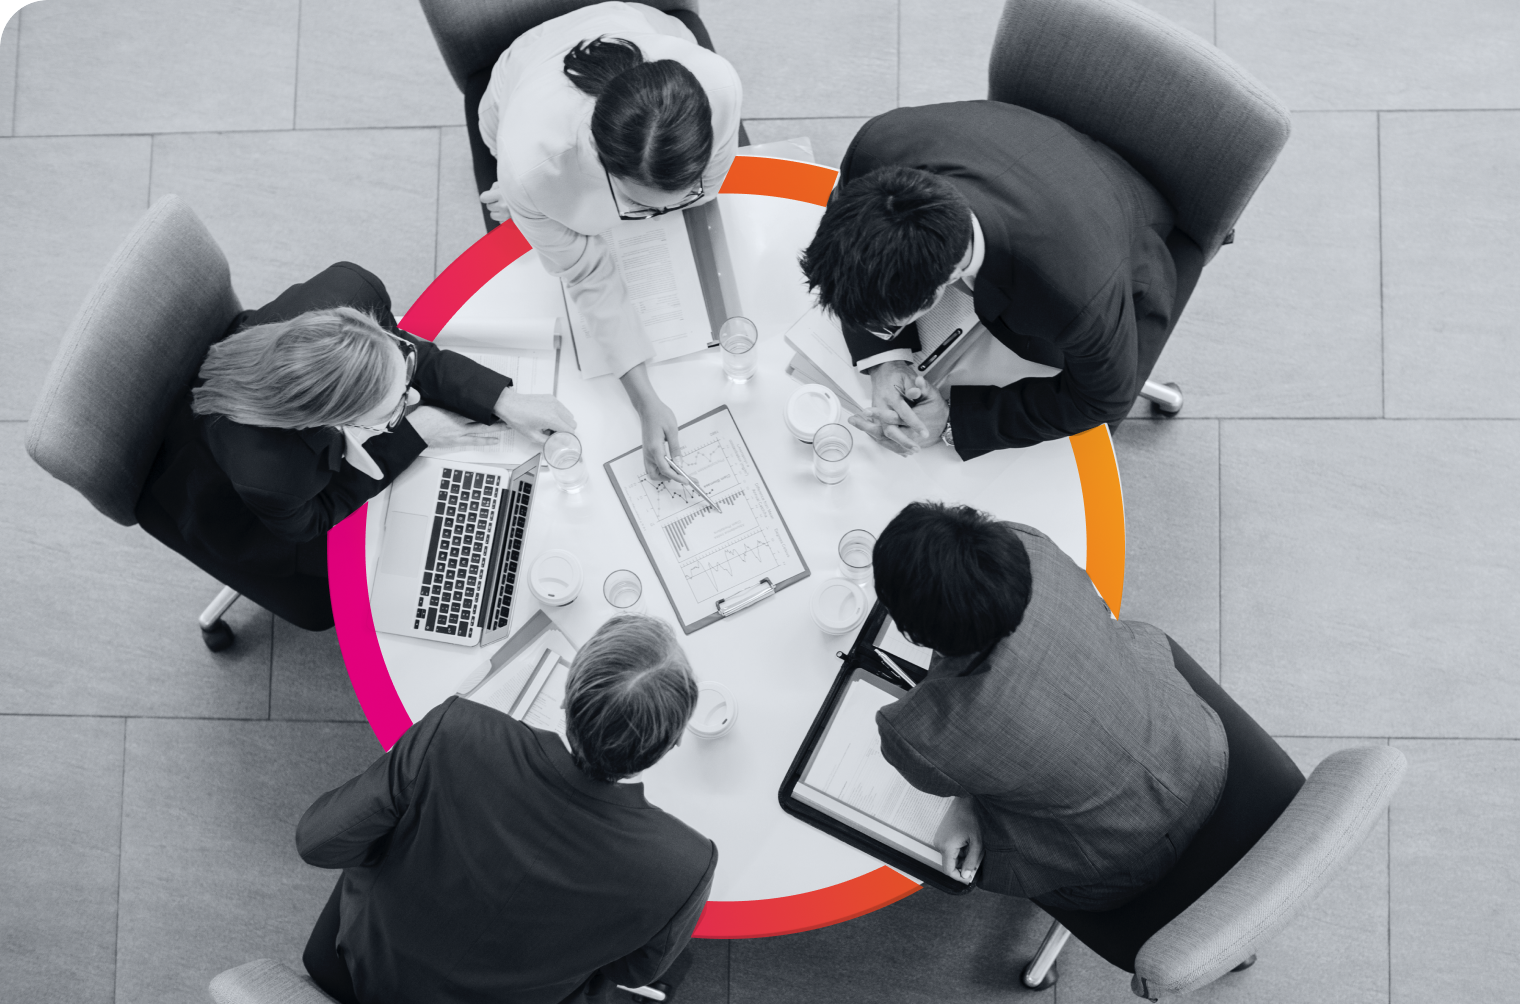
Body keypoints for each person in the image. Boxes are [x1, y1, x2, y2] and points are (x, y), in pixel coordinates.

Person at [297, 614, 716, 1004]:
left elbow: (318, 843)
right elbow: (636, 973)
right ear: (673, 742)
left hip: (358, 968)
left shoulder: (455, 732)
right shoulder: (683, 864)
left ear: (567, 694)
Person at [136, 261, 575, 632]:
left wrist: (504, 400)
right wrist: (412, 435)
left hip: (258, 373)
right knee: (365, 585)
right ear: (331, 422)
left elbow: (411, 356)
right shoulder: (272, 475)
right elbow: (312, 520)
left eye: (401, 374)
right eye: (394, 409)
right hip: (224, 501)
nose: (413, 396)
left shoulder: (351, 291)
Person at [869, 502, 1228, 919]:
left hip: (1116, 869)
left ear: (914, 633)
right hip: (1202, 751)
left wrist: (967, 803)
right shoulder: (1033, 549)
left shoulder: (917, 731)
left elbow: (955, 772)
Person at [798, 101, 1203, 461]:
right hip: (1026, 159)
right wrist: (885, 360)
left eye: (887, 326)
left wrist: (953, 420)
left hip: (1128, 243)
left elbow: (1104, 399)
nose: (875, 330)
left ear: (947, 279)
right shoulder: (877, 146)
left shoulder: (1072, 298)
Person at [468, 1, 744, 482]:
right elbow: (587, 273)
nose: (654, 217)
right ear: (600, 161)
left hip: (635, 23)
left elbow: (709, 189)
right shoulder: (532, 163)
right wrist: (645, 400)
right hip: (524, 84)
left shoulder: (719, 87)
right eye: (636, 204)